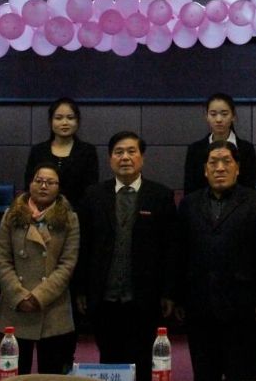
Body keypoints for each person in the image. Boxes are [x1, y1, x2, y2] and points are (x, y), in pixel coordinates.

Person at [74, 131, 179, 381]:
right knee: (109, 359)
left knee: (143, 360)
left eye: (132, 151)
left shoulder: (161, 196)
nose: (125, 157)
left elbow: (171, 249)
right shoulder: (93, 195)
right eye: (119, 152)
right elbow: (83, 246)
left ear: (142, 157)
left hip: (145, 298)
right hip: (104, 296)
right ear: (110, 158)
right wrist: (80, 289)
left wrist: (169, 292)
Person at [177, 140, 256, 381]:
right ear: (205, 170)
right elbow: (179, 253)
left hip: (243, 308)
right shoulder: (189, 204)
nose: (220, 168)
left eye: (226, 162)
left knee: (242, 373)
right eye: (213, 162)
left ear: (238, 168)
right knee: (205, 373)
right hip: (200, 306)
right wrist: (178, 296)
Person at [0, 163, 79, 374]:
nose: (43, 186)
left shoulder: (69, 219)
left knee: (51, 374)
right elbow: (3, 259)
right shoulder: (11, 215)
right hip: (16, 304)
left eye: (50, 182)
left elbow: (67, 264)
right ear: (30, 184)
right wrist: (19, 296)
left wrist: (39, 297)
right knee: (14, 374)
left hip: (52, 307)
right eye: (38, 181)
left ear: (59, 187)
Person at [23, 97, 99, 206]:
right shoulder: (38, 151)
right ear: (50, 121)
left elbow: (91, 190)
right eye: (58, 118)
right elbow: (29, 186)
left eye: (70, 118)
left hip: (77, 212)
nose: (65, 122)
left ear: (77, 121)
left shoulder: (88, 151)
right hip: (41, 211)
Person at [184, 93, 256, 193]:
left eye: (224, 114)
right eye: (213, 114)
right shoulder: (195, 149)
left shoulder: (246, 149)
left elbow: (250, 189)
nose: (218, 119)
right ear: (206, 116)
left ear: (233, 116)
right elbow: (189, 190)